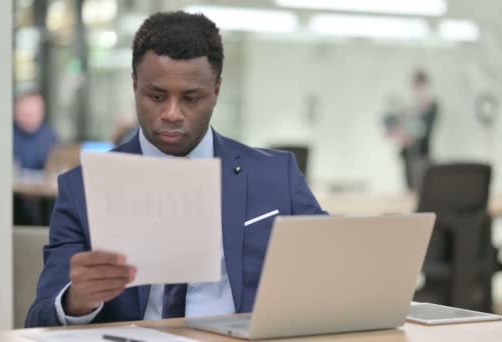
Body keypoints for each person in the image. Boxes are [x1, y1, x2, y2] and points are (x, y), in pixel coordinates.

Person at [25, 12, 326, 328]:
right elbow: (39, 319)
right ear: (134, 85)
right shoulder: (82, 188)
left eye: (190, 98)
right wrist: (77, 301)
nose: (171, 113)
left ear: (217, 91)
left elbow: (337, 265)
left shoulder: (277, 175)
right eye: (156, 96)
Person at [385, 70, 438, 191]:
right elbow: (392, 124)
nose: (418, 89)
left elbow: (424, 130)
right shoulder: (407, 107)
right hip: (408, 157)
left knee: (422, 190)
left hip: (422, 158)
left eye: (421, 86)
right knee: (409, 191)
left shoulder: (432, 106)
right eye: (416, 86)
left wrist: (407, 136)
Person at [13, 90, 58, 171]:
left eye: (33, 113)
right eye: (26, 113)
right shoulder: (8, 136)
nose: (30, 118)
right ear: (15, 112)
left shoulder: (50, 137)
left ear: (42, 113)